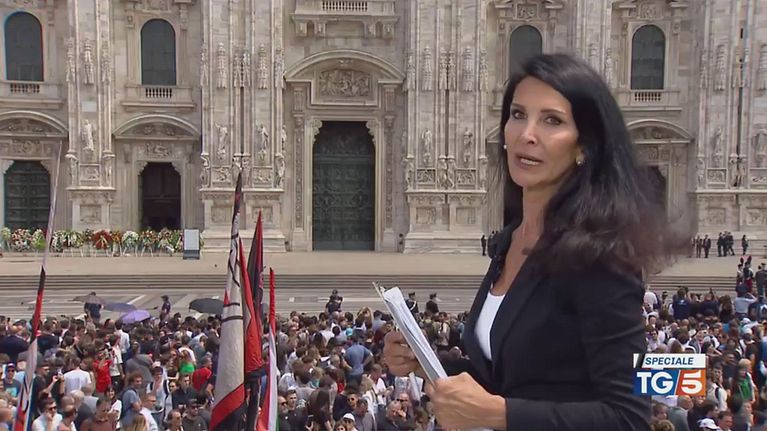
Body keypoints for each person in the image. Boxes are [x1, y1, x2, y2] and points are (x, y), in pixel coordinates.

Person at [384, 53, 679, 430]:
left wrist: (496, 414)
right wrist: (426, 362)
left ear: (583, 145)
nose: (527, 134)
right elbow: (512, 377)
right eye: (518, 114)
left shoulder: (599, 256)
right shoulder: (511, 242)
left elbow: (629, 417)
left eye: (552, 120)